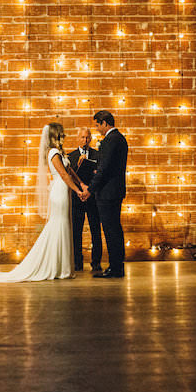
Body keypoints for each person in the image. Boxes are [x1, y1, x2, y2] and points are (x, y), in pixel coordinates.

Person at [0, 123, 85, 282]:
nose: (65, 135)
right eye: (62, 133)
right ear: (56, 135)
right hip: (60, 192)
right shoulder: (53, 152)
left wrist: (81, 184)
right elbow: (63, 175)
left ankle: (62, 267)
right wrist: (78, 191)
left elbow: (70, 172)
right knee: (59, 225)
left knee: (64, 226)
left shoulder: (60, 152)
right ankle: (57, 267)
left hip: (64, 190)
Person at [81, 110, 129, 279]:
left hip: (108, 192)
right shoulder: (120, 139)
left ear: (104, 123)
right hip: (115, 191)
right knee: (115, 229)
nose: (97, 129)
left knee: (111, 230)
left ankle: (115, 268)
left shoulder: (110, 140)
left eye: (97, 125)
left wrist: (90, 189)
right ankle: (117, 266)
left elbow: (104, 169)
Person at [69, 127, 102, 272]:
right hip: (77, 198)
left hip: (93, 197)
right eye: (82, 137)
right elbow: (69, 176)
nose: (85, 140)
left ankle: (96, 263)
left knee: (95, 230)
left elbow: (100, 174)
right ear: (78, 138)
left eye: (88, 137)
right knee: (76, 231)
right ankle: (77, 262)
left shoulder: (97, 154)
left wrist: (90, 190)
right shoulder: (71, 156)